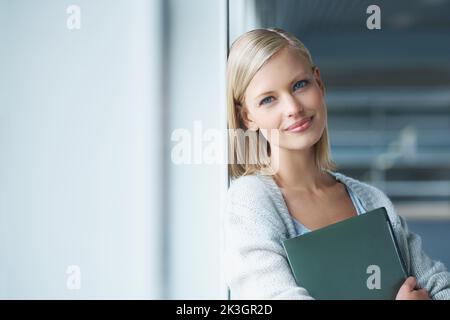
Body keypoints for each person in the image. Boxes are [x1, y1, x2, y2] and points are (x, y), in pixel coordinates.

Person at [224, 28, 450, 300]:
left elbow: (439, 286)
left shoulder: (370, 199)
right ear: (247, 117)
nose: (293, 108)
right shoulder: (250, 201)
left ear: (319, 83)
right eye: (268, 99)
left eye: (299, 85)